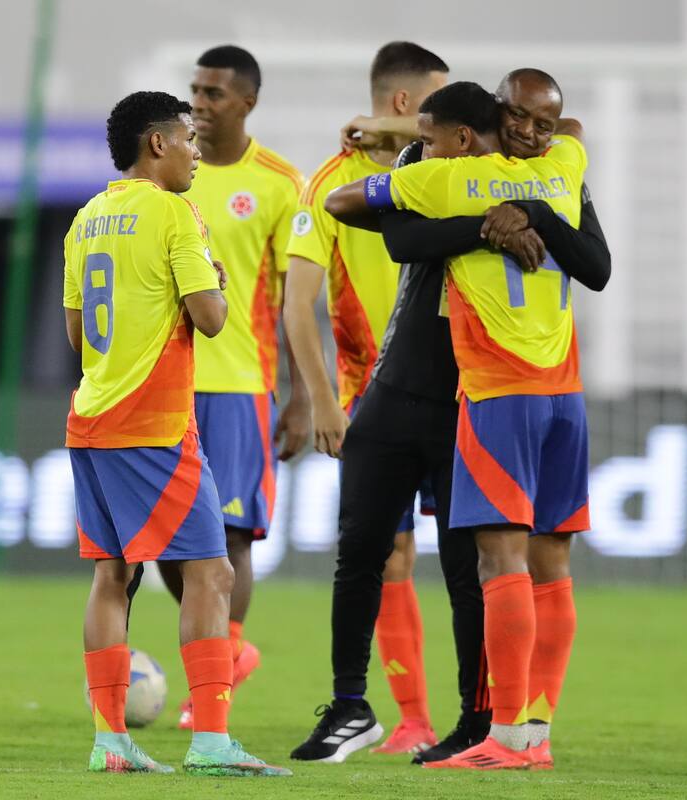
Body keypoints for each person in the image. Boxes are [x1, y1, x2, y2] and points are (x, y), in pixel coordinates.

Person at [294, 78, 611, 767]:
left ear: (462, 137)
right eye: (517, 118)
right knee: (543, 563)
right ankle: (528, 730)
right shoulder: (563, 167)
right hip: (559, 390)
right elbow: (574, 138)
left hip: (493, 394)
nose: (529, 130)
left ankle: (497, 731)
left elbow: (356, 209)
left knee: (493, 563)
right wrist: (509, 204)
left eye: (538, 121)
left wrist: (421, 158)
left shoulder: (455, 179)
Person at [63, 90, 289, 778]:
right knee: (212, 570)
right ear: (156, 145)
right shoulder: (174, 213)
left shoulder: (86, 219)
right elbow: (213, 319)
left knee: (112, 573)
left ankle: (111, 742)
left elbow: (78, 337)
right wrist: (210, 283)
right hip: (154, 424)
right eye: (187, 139)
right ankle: (212, 742)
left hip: (91, 417)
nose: (196, 152)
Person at [283, 40, 449, 757]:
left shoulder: (449, 169)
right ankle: (410, 718)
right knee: (391, 559)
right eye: (439, 103)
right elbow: (298, 307)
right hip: (373, 398)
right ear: (410, 103)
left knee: (490, 554)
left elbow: (510, 136)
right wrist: (321, 399)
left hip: (459, 390)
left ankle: (509, 720)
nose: (452, 120)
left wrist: (388, 130)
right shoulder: (329, 183)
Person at [156, 44, 310, 731]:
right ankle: (223, 658)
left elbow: (296, 301)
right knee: (166, 541)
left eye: (214, 93)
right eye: (194, 90)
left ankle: (223, 663)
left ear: (246, 102)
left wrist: (303, 395)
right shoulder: (166, 175)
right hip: (165, 384)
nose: (200, 103)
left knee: (229, 538)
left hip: (239, 384)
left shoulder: (279, 182)